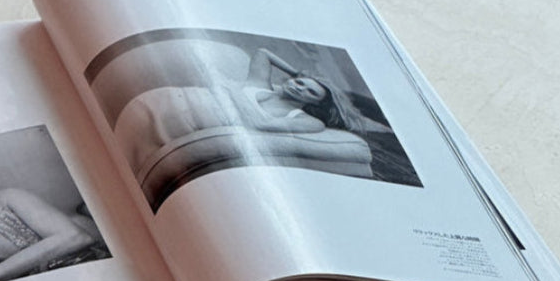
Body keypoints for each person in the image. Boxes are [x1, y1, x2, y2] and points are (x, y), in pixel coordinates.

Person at [113, 47, 385, 183]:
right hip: (165, 99)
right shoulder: (260, 83)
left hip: (179, 124)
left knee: (125, 161)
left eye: (309, 92)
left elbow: (258, 123)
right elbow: (262, 53)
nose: (299, 87)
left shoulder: (304, 120)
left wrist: (229, 93)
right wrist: (296, 74)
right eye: (301, 82)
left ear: (316, 105)